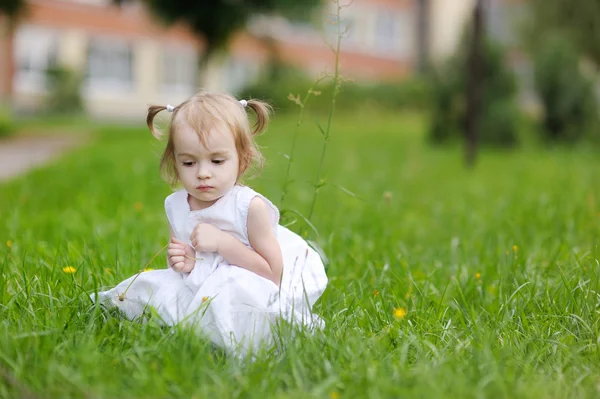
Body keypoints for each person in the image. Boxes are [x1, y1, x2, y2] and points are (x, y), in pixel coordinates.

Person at [91, 91, 328, 355]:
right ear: (175, 162)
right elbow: (183, 265)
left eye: (217, 161)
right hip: (198, 286)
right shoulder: (176, 205)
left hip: (246, 287)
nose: (203, 173)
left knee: (227, 306)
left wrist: (223, 243)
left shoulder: (249, 207)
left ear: (242, 159)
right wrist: (183, 262)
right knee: (148, 293)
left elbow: (272, 272)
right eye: (189, 162)